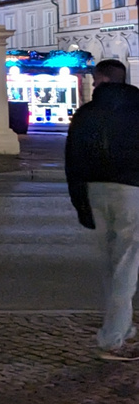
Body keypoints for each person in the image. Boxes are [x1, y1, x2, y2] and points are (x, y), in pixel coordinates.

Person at [65, 58, 139, 360]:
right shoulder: (137, 111)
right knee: (125, 264)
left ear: (105, 80)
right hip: (132, 190)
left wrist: (79, 202)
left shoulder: (86, 114)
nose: (93, 84)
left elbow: (73, 161)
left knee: (112, 263)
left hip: (96, 190)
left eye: (95, 80)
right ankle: (113, 338)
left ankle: (120, 325)